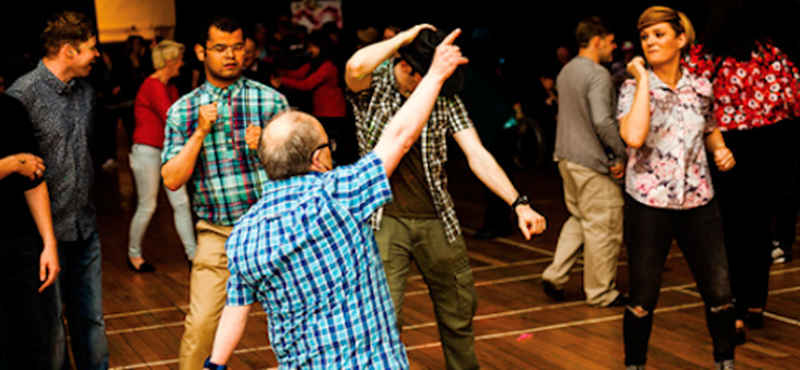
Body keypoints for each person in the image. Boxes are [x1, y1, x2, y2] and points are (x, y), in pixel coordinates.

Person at [204, 28, 468, 370]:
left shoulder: (243, 235)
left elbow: (235, 312)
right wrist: (434, 75)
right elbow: (399, 137)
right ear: (318, 158)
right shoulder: (338, 194)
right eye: (328, 147)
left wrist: (216, 364)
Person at [345, 24, 547, 369]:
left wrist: (519, 203)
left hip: (438, 220)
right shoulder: (374, 87)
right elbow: (354, 68)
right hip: (382, 221)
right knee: (383, 318)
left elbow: (477, 154)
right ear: (407, 67)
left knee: (458, 311)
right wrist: (402, 40)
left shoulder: (443, 96)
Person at [160, 16, 288, 370]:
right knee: (200, 327)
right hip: (217, 235)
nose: (230, 55)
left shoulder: (271, 102)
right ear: (202, 52)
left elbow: (302, 172)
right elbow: (171, 178)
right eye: (219, 48)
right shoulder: (183, 111)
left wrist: (265, 147)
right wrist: (199, 133)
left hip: (273, 230)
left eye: (237, 47)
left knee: (299, 322)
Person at [617, 6, 737, 370]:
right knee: (643, 296)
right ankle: (635, 365)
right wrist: (640, 79)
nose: (650, 42)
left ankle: (725, 362)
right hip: (649, 206)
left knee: (720, 292)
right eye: (645, 36)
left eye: (659, 34)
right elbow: (634, 135)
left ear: (681, 39)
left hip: (700, 202)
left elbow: (709, 123)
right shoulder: (631, 87)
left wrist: (720, 149)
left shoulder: (701, 86)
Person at [684, 0, 800, 344]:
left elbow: (689, 104)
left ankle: (730, 305)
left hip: (723, 150)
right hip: (768, 149)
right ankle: (756, 303)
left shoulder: (704, 56)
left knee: (725, 232)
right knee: (759, 227)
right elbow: (794, 98)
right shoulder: (769, 53)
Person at [7, 11, 107, 370]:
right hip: (44, 237)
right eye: (91, 48)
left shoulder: (87, 94)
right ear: (68, 51)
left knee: (91, 320)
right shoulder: (22, 95)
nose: (97, 54)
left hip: (85, 227)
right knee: (51, 333)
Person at [541, 16, 628, 307]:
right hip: (591, 161)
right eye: (612, 41)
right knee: (604, 227)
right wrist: (619, 154)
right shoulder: (598, 74)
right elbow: (603, 120)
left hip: (565, 156)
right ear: (597, 41)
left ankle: (555, 275)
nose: (614, 47)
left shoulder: (566, 71)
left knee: (580, 219)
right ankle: (601, 292)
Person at [0, 93, 60, 370]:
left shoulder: (11, 108)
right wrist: (11, 164)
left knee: (37, 341)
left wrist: (49, 243)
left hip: (21, 242)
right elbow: (21, 165)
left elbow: (34, 179)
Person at [127, 40, 195, 273]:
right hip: (147, 150)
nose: (183, 64)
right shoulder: (153, 85)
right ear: (169, 61)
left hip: (167, 152)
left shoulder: (171, 88)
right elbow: (173, 119)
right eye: (179, 59)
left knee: (182, 203)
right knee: (148, 205)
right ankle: (134, 254)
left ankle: (193, 256)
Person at [275, 31, 354, 165]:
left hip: (332, 113)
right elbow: (299, 73)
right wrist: (280, 70)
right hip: (322, 111)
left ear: (320, 46)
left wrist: (282, 80)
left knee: (332, 146)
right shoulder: (317, 63)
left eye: (312, 47)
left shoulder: (328, 65)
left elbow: (307, 84)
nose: (309, 50)